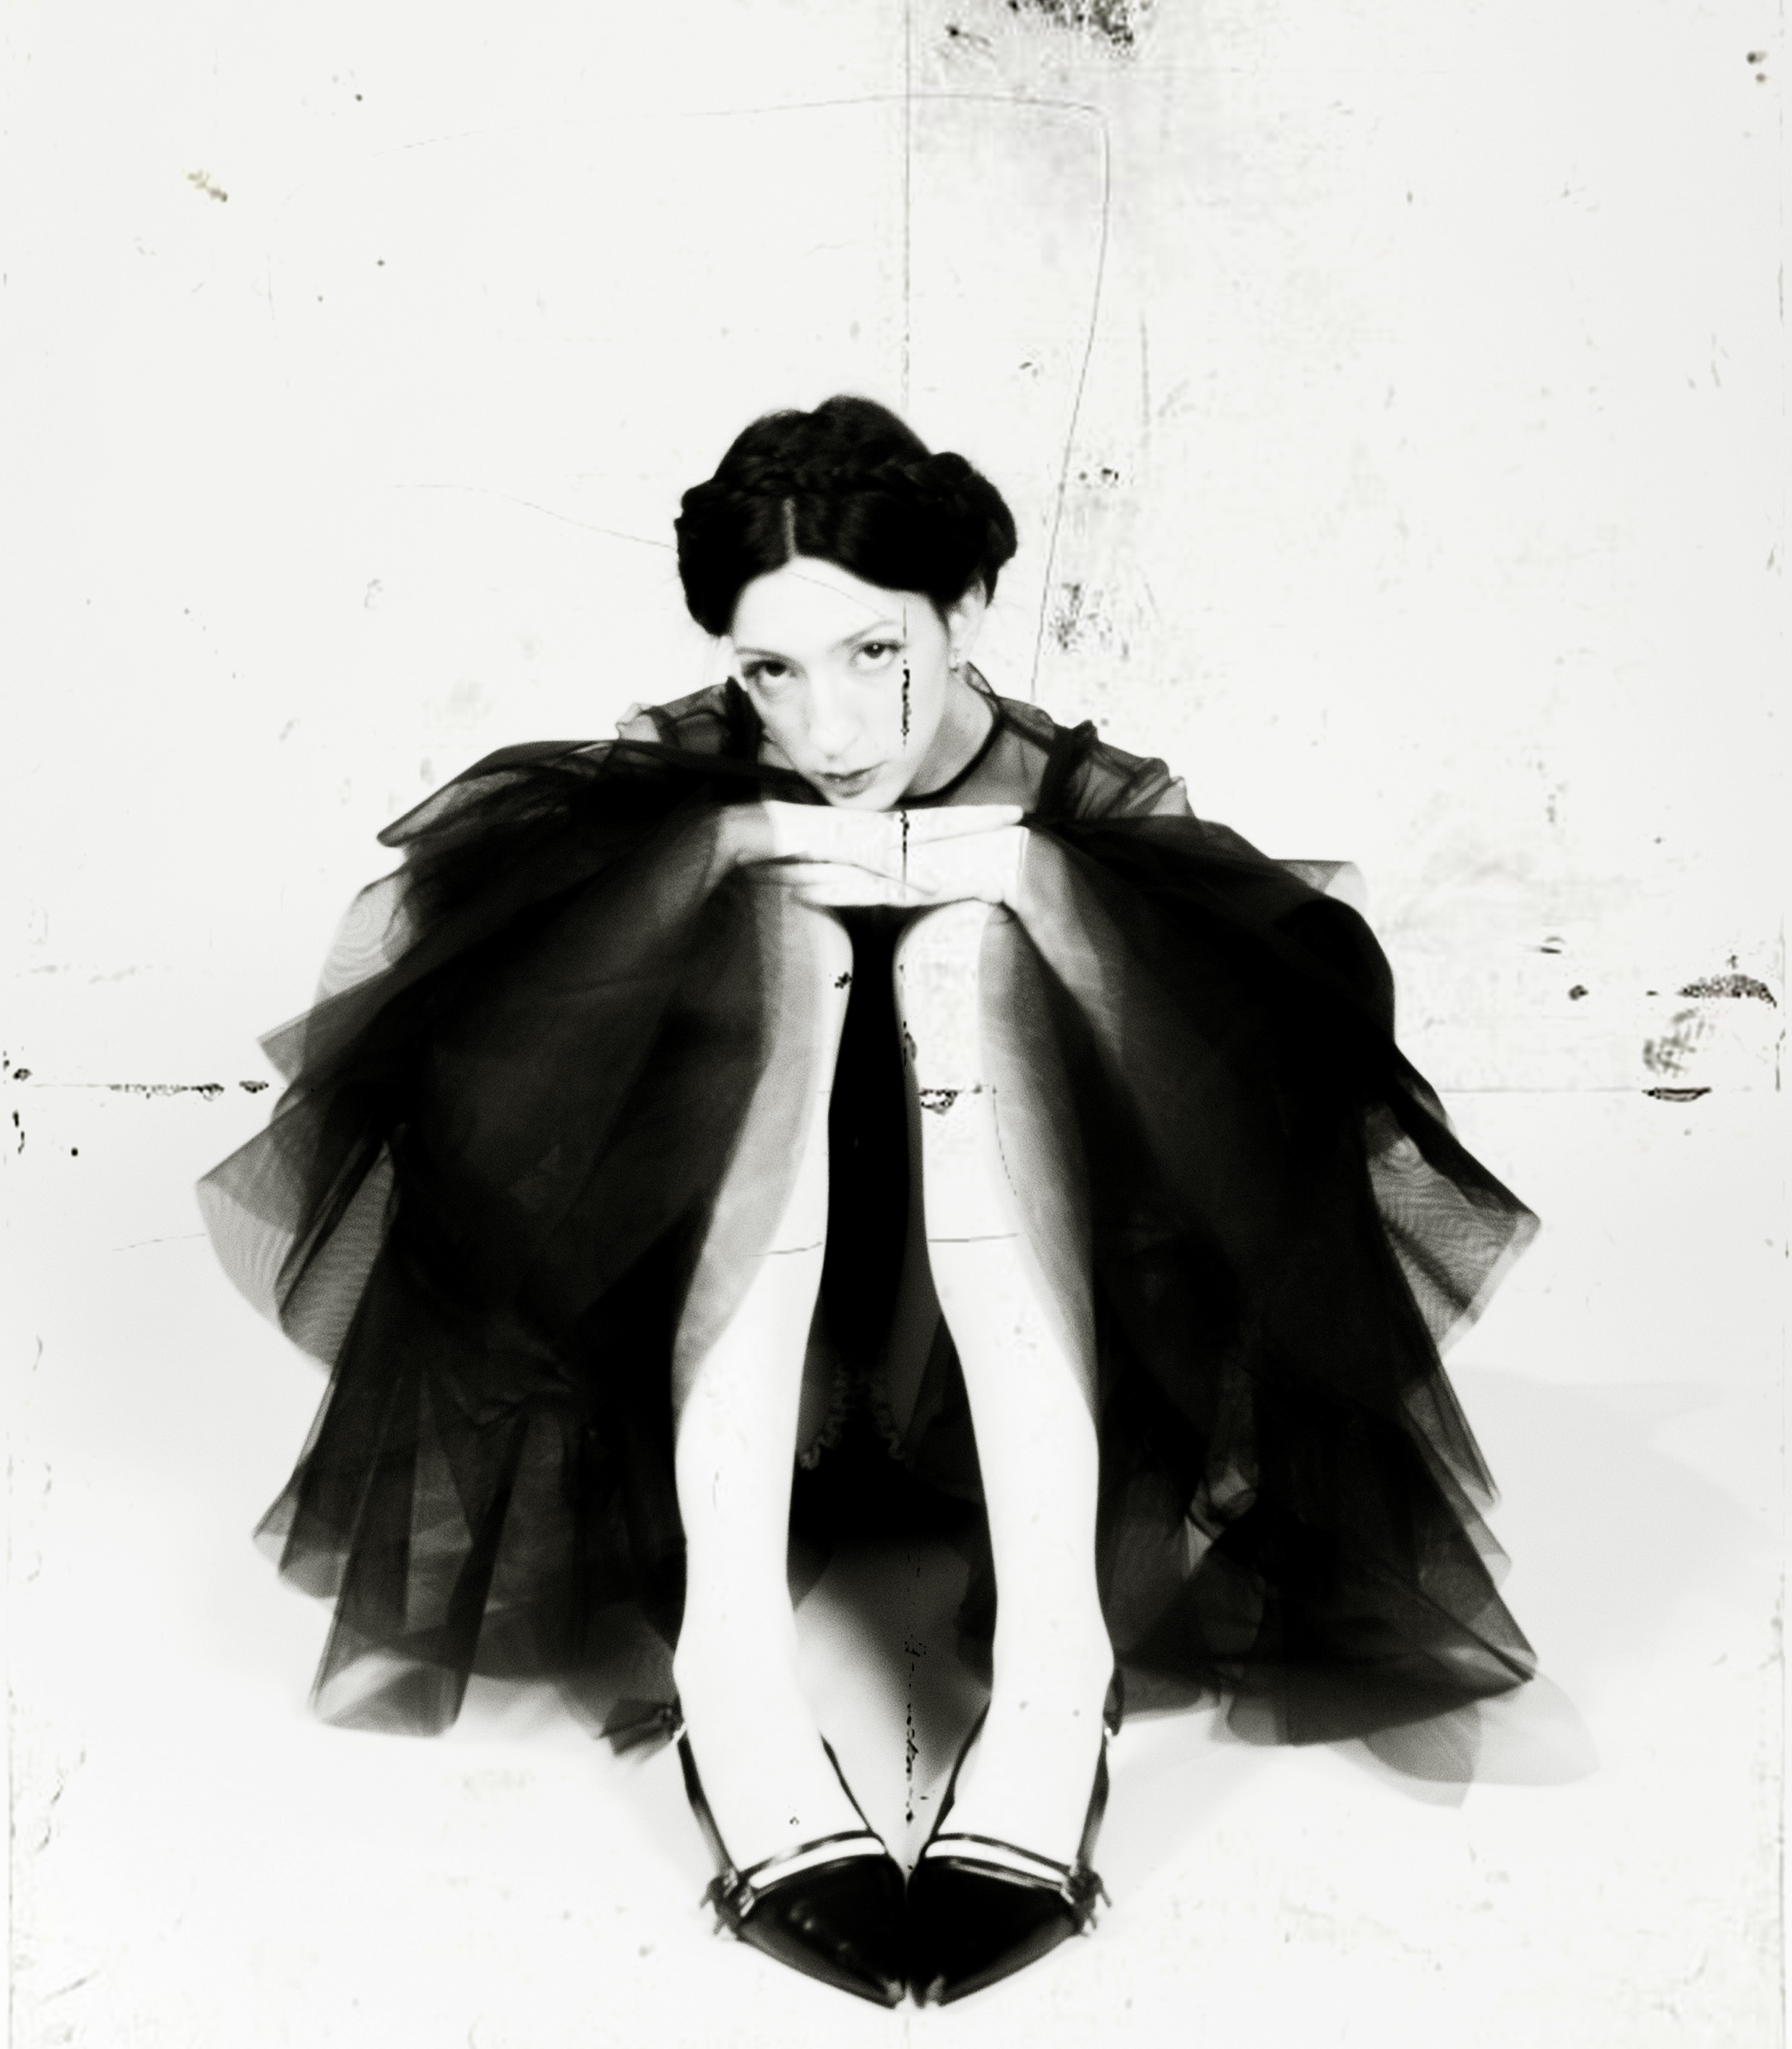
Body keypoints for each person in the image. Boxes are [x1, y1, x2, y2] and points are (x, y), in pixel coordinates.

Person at [199, 395, 1539, 2008]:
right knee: (777, 935)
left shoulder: (1077, 791)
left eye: (875, 655)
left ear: (962, 612)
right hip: (736, 1379)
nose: (828, 727)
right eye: (771, 671)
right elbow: (464, 1058)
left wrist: (1033, 880)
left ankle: (1055, 1681)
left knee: (979, 949)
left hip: (1010, 1389)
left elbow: (1298, 1026)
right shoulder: (691, 783)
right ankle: (734, 1680)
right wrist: (719, 871)